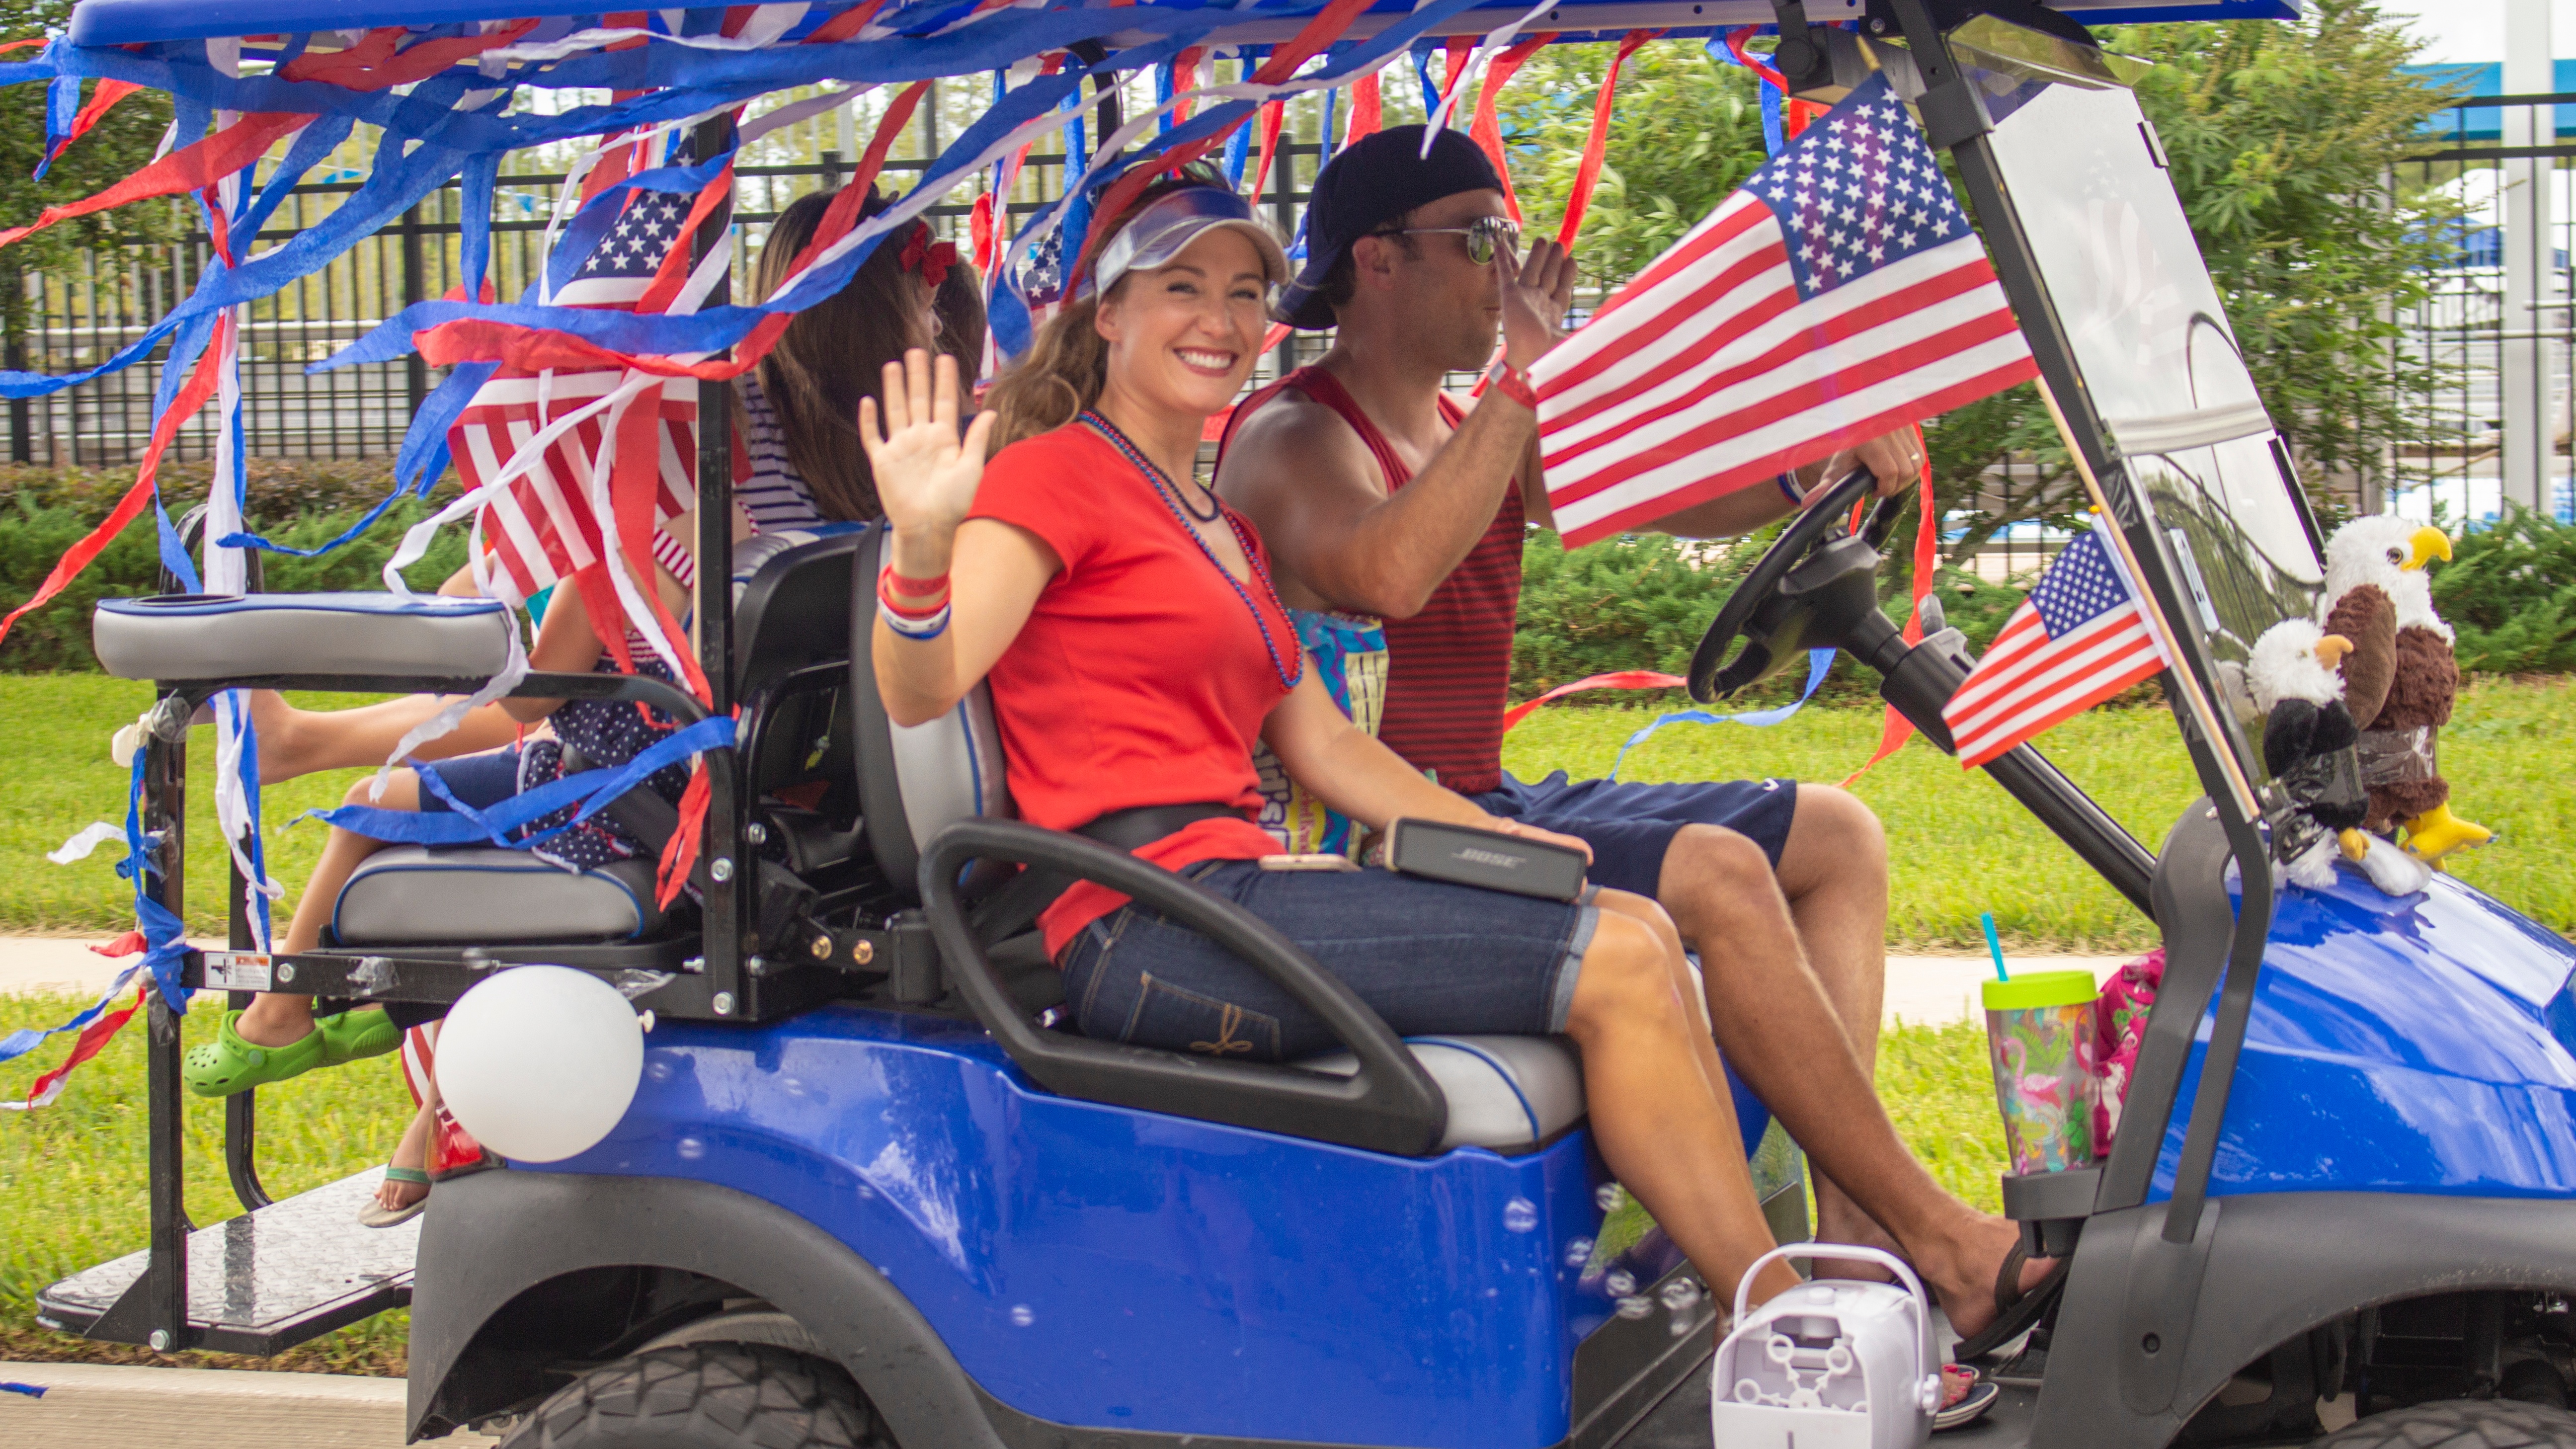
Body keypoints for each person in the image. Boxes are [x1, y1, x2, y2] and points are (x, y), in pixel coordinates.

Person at [858, 172, 2050, 1346]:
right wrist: (920, 545)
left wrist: (1509, 842)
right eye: (1181, 287)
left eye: (1241, 291)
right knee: (1621, 967)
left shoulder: (1210, 521)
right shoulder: (1054, 473)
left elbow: (1322, 741)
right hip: (1144, 925)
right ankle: (1797, 1340)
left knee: (1627, 927)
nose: (1218, 321)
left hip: (1227, 891)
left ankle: (1791, 1291)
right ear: (1109, 313)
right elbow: (923, 682)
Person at [1213, 126, 1933, 1288]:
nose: (1510, 267)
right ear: (1377, 261)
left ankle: (1853, 1228)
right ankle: (1927, 1240)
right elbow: (1388, 574)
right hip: (1390, 836)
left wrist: (1809, 464)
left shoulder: (1464, 424)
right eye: (1477, 238)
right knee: (1716, 873)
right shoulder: (1293, 436)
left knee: (1839, 837)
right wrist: (1516, 392)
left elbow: (1655, 495)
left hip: (1482, 801)